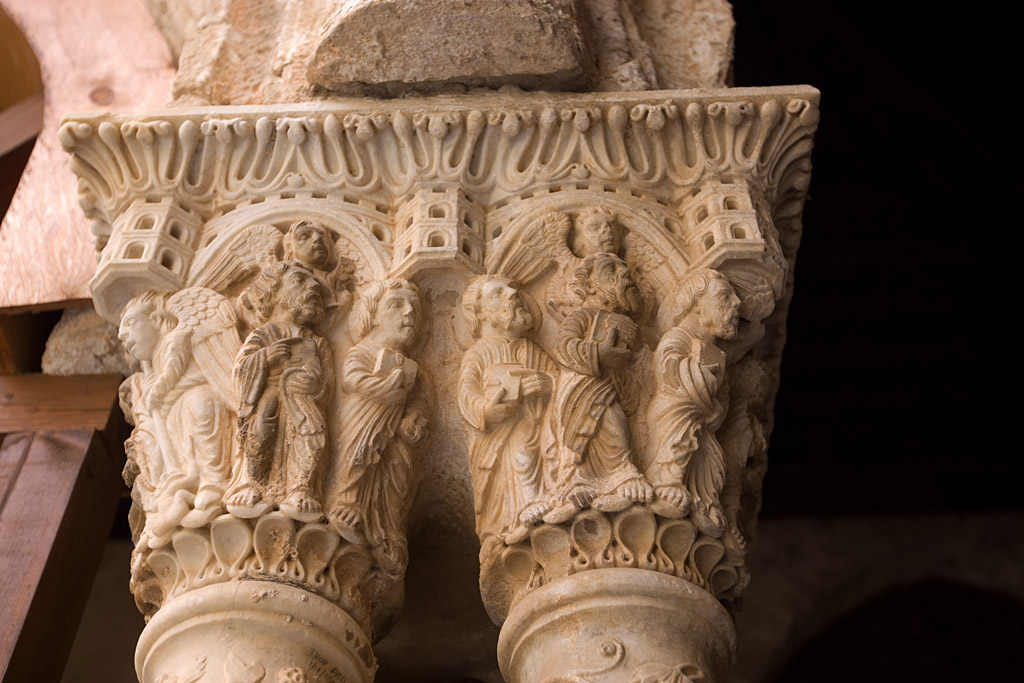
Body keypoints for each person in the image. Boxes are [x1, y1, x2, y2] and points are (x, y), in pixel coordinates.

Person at [328, 278, 428, 573]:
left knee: (396, 471)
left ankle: (386, 532)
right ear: (371, 315)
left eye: (415, 307)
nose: (409, 312)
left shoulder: (414, 368)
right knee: (358, 456)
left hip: (394, 431)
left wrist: (414, 420)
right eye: (396, 304)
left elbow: (421, 401)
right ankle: (347, 501)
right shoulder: (363, 350)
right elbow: (352, 379)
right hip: (364, 420)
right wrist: (387, 384)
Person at [548, 253, 653, 522]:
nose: (624, 274)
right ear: (590, 286)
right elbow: (562, 346)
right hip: (581, 387)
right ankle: (579, 477)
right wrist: (598, 353)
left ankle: (620, 471)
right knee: (606, 421)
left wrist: (635, 353)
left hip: (611, 385)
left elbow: (642, 371)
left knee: (615, 419)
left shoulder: (627, 325)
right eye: (611, 271)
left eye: (625, 270)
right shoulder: (583, 315)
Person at [228, 261, 332, 522]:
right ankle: (254, 482)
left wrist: (316, 387)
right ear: (273, 294)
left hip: (303, 401)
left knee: (310, 435)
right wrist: (265, 358)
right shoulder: (264, 334)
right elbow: (240, 371)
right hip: (269, 395)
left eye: (314, 283)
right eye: (300, 281)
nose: (312, 286)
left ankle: (301, 487)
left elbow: (328, 385)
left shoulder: (318, 342)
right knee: (262, 424)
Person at [459, 274, 557, 546]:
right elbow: (467, 393)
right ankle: (508, 524)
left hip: (536, 431)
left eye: (512, 289)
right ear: (481, 313)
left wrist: (548, 382)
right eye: (498, 293)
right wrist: (486, 410)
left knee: (528, 450)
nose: (513, 294)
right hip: (498, 440)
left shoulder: (533, 351)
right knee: (516, 457)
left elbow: (561, 382)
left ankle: (538, 503)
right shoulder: (478, 353)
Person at [646, 268, 741, 536]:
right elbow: (668, 373)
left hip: (704, 423)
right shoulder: (678, 337)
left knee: (713, 464)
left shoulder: (718, 353)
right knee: (680, 426)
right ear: (697, 304)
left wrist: (716, 407)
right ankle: (665, 481)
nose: (737, 303)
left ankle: (703, 502)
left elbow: (723, 396)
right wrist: (702, 378)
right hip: (675, 415)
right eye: (725, 296)